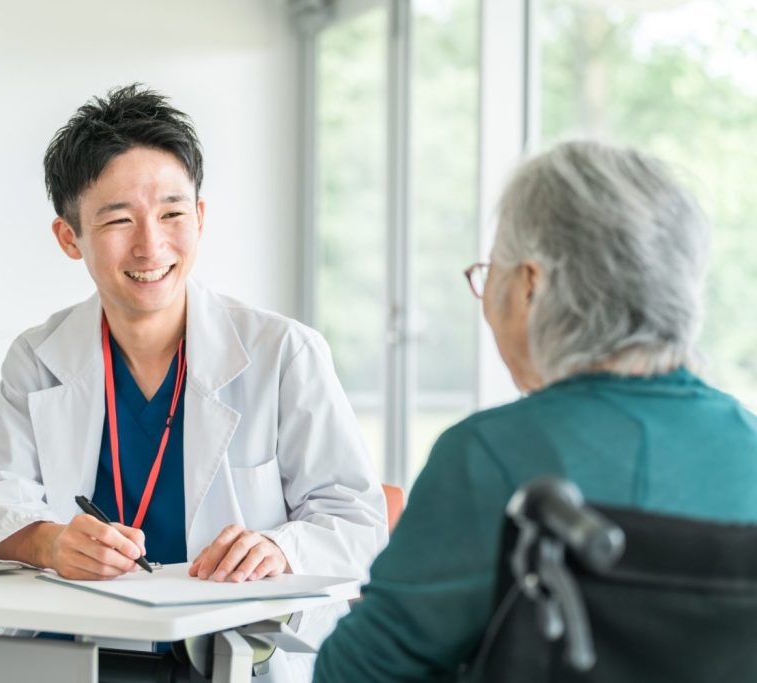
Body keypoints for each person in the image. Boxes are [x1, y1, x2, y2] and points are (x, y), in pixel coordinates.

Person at [0, 84, 387, 680]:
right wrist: (50, 543)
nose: (151, 244)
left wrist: (281, 548)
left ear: (200, 218)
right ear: (69, 237)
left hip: (228, 653)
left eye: (172, 213)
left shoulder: (282, 353)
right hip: (82, 648)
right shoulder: (39, 357)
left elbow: (359, 521)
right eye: (117, 219)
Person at [313, 140, 757, 682]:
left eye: (488, 271)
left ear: (529, 285)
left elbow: (356, 673)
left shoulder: (490, 457)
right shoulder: (748, 446)